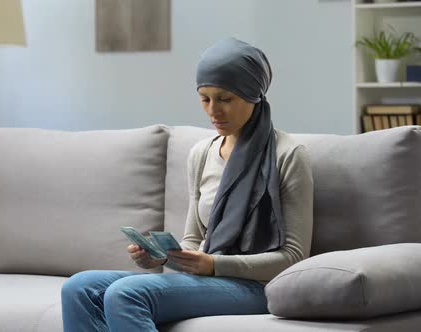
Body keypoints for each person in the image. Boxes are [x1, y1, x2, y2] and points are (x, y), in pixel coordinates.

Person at [61, 37, 314, 331]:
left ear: (253, 95)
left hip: (256, 286)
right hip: (205, 279)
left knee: (126, 294)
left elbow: (294, 258)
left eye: (225, 99)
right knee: (79, 287)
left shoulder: (288, 155)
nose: (213, 111)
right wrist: (159, 258)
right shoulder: (202, 154)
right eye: (205, 99)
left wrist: (215, 265)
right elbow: (193, 242)